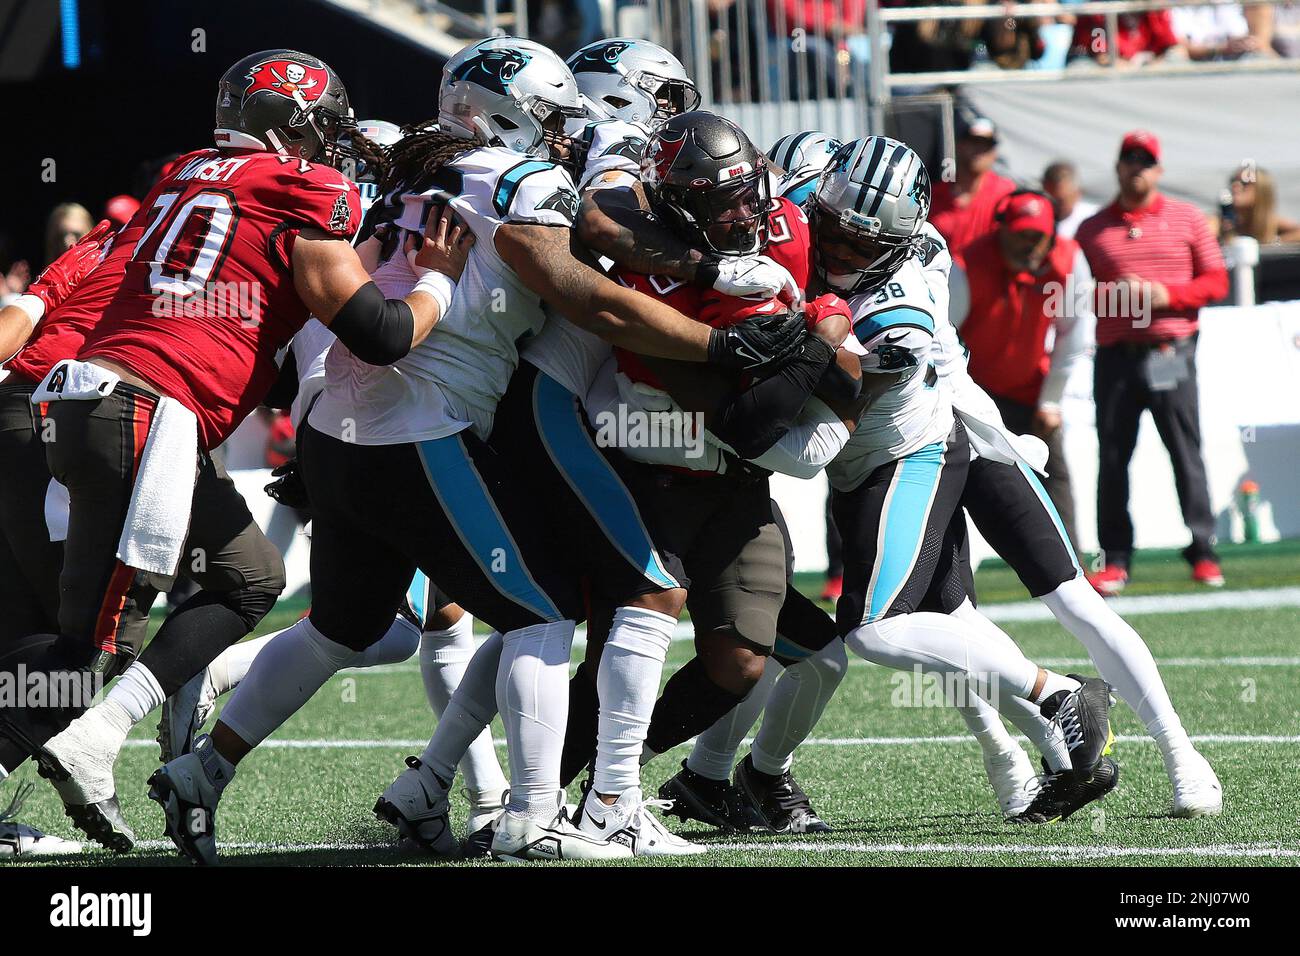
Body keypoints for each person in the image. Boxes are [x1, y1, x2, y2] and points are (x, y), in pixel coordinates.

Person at [5, 47, 459, 854]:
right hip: (147, 412)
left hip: (92, 404)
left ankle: (103, 734)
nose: (330, 150)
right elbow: (379, 334)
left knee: (251, 574)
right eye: (321, 133)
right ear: (291, 132)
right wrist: (439, 281)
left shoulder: (183, 171)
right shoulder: (304, 189)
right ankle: (91, 738)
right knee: (93, 648)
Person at [1075, 131, 1229, 594]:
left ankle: (1203, 550)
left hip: (1170, 352)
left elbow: (1217, 280)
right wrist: (1120, 295)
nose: (1137, 168)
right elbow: (1074, 293)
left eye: (1146, 161)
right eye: (1129, 159)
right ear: (1118, 166)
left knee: (1184, 451)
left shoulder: (1187, 219)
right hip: (1116, 357)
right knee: (1115, 456)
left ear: (1158, 170)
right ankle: (1115, 557)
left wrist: (1169, 295)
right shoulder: (1091, 228)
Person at [948, 189, 1091, 555]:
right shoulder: (966, 266)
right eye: (1020, 234)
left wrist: (1051, 402)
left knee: (1053, 474)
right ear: (1002, 230)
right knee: (948, 477)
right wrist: (958, 399)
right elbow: (945, 338)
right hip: (973, 392)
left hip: (1032, 390)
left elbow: (1076, 334)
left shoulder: (1069, 261)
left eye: (1037, 236)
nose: (1028, 245)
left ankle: (1071, 566)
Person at [927, 110, 1017, 260]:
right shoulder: (935, 195)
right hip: (944, 279)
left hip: (987, 279)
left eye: (986, 145)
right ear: (959, 145)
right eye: (974, 142)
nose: (979, 151)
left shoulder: (1006, 193)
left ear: (994, 153)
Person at [1214, 166, 1300, 245]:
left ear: (1261, 190)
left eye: (1245, 182)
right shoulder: (1220, 221)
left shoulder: (1272, 222)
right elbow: (1207, 229)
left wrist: (1275, 243)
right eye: (1233, 181)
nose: (1235, 186)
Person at [1041, 160, 1099, 240]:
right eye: (1049, 199)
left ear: (1078, 194)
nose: (1054, 205)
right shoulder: (1032, 213)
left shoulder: (1094, 220)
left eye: (1060, 201)